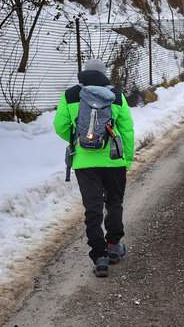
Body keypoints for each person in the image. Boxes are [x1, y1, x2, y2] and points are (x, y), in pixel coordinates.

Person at [54, 58, 135, 277]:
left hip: (84, 163)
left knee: (93, 208)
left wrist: (78, 139)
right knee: (114, 202)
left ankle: (99, 256)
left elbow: (60, 126)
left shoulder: (70, 95)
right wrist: (127, 158)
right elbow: (127, 130)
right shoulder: (116, 95)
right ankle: (114, 246)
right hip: (113, 160)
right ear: (104, 74)